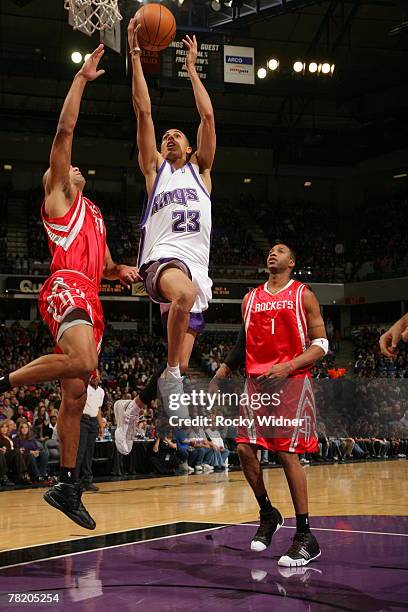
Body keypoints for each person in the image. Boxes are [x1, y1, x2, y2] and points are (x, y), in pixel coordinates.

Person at [0, 46, 138, 529]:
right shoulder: (60, 195)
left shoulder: (96, 213)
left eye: (78, 170)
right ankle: (5, 383)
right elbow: (64, 131)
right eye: (69, 168)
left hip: (92, 295)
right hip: (65, 286)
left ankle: (66, 484)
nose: (76, 169)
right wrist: (80, 79)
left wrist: (119, 270)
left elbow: (102, 264)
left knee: (75, 397)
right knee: (84, 362)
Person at [114, 20, 216, 454]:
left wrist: (193, 69)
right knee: (182, 298)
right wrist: (136, 56)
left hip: (196, 274)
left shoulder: (203, 173)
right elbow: (144, 111)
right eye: (167, 135)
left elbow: (208, 116)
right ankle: (172, 380)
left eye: (178, 135)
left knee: (179, 355)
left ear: (191, 148)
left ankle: (134, 406)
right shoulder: (155, 173)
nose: (171, 136)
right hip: (162, 263)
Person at [212, 243, 328, 567]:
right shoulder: (249, 299)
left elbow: (322, 344)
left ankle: (305, 535)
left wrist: (289, 366)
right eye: (270, 250)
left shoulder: (302, 294)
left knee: (287, 454)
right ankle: (268, 513)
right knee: (244, 450)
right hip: (256, 383)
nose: (273, 253)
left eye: (281, 250)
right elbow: (243, 342)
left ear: (292, 261)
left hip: (291, 381)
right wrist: (223, 370)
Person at [76, 370, 105, 492]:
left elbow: (98, 409)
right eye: (93, 377)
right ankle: (74, 481)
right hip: (83, 420)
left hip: (93, 422)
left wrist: (101, 426)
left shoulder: (101, 391)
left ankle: (87, 481)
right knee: (80, 451)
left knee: (89, 452)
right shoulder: (84, 389)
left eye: (96, 377)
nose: (95, 379)